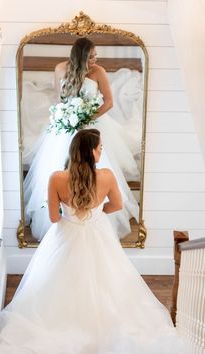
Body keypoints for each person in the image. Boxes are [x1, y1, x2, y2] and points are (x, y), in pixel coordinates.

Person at [0, 129, 186, 354]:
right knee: (108, 280)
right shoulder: (106, 176)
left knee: (55, 282)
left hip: (66, 236)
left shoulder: (57, 178)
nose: (101, 151)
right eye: (100, 148)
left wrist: (71, 212)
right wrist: (96, 212)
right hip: (98, 233)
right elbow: (116, 205)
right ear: (91, 152)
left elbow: (54, 217)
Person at [24, 37, 140, 241]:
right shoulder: (60, 68)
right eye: (91, 56)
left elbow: (109, 102)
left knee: (93, 164)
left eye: (96, 55)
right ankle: (64, 214)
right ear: (80, 56)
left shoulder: (99, 72)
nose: (95, 59)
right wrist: (67, 116)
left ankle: (92, 215)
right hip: (66, 124)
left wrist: (86, 118)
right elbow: (58, 99)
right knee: (59, 164)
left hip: (90, 124)